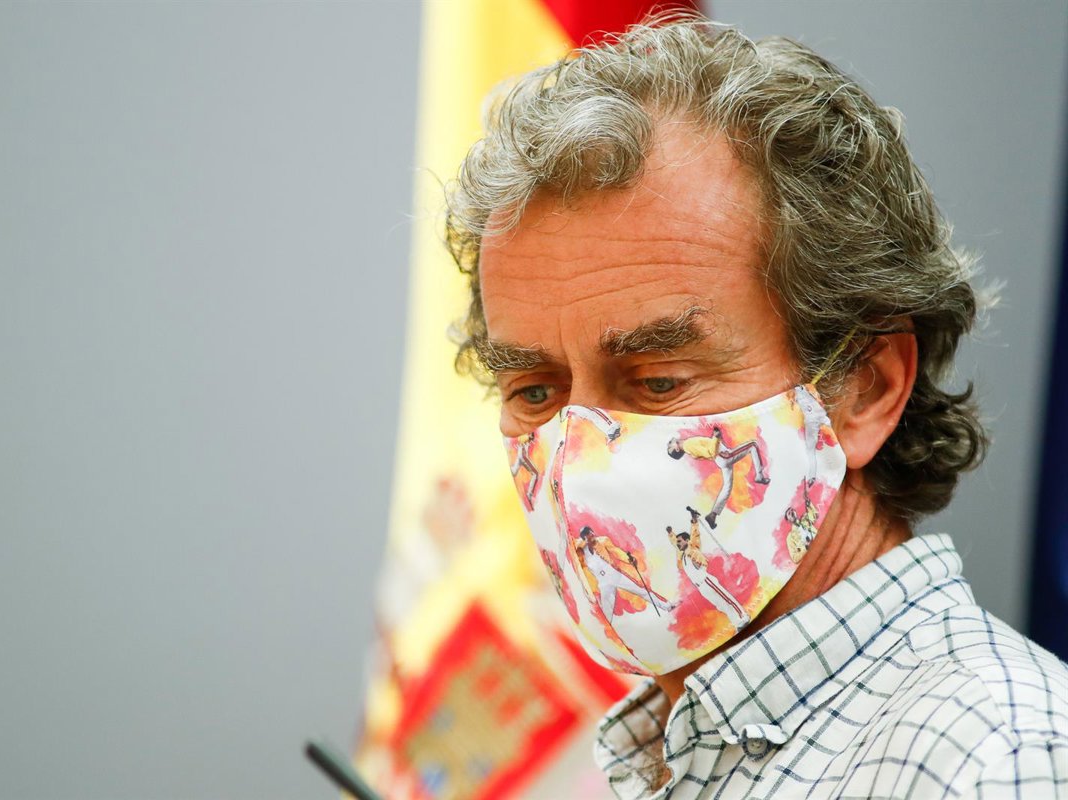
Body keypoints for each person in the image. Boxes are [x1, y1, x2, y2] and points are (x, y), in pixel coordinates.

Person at [443, 14, 1068, 798]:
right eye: (536, 392)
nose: (578, 467)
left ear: (866, 388)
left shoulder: (998, 762)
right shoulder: (675, 750)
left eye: (658, 380)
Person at [666, 426, 770, 528]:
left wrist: (717, 438)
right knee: (753, 445)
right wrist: (716, 437)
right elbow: (710, 452)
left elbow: (706, 451)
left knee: (727, 487)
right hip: (723, 455)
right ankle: (759, 476)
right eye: (670, 446)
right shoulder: (688, 445)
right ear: (677, 449)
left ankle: (713, 514)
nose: (669, 443)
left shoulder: (688, 447)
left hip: (721, 458)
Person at [672, 509, 750, 629]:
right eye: (677, 542)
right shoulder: (682, 557)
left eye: (679, 541)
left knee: (725, 598)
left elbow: (695, 535)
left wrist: (694, 520)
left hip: (706, 580)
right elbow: (674, 544)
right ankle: (737, 623)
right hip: (701, 587)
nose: (678, 544)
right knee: (721, 605)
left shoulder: (692, 548)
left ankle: (743, 616)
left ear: (687, 540)